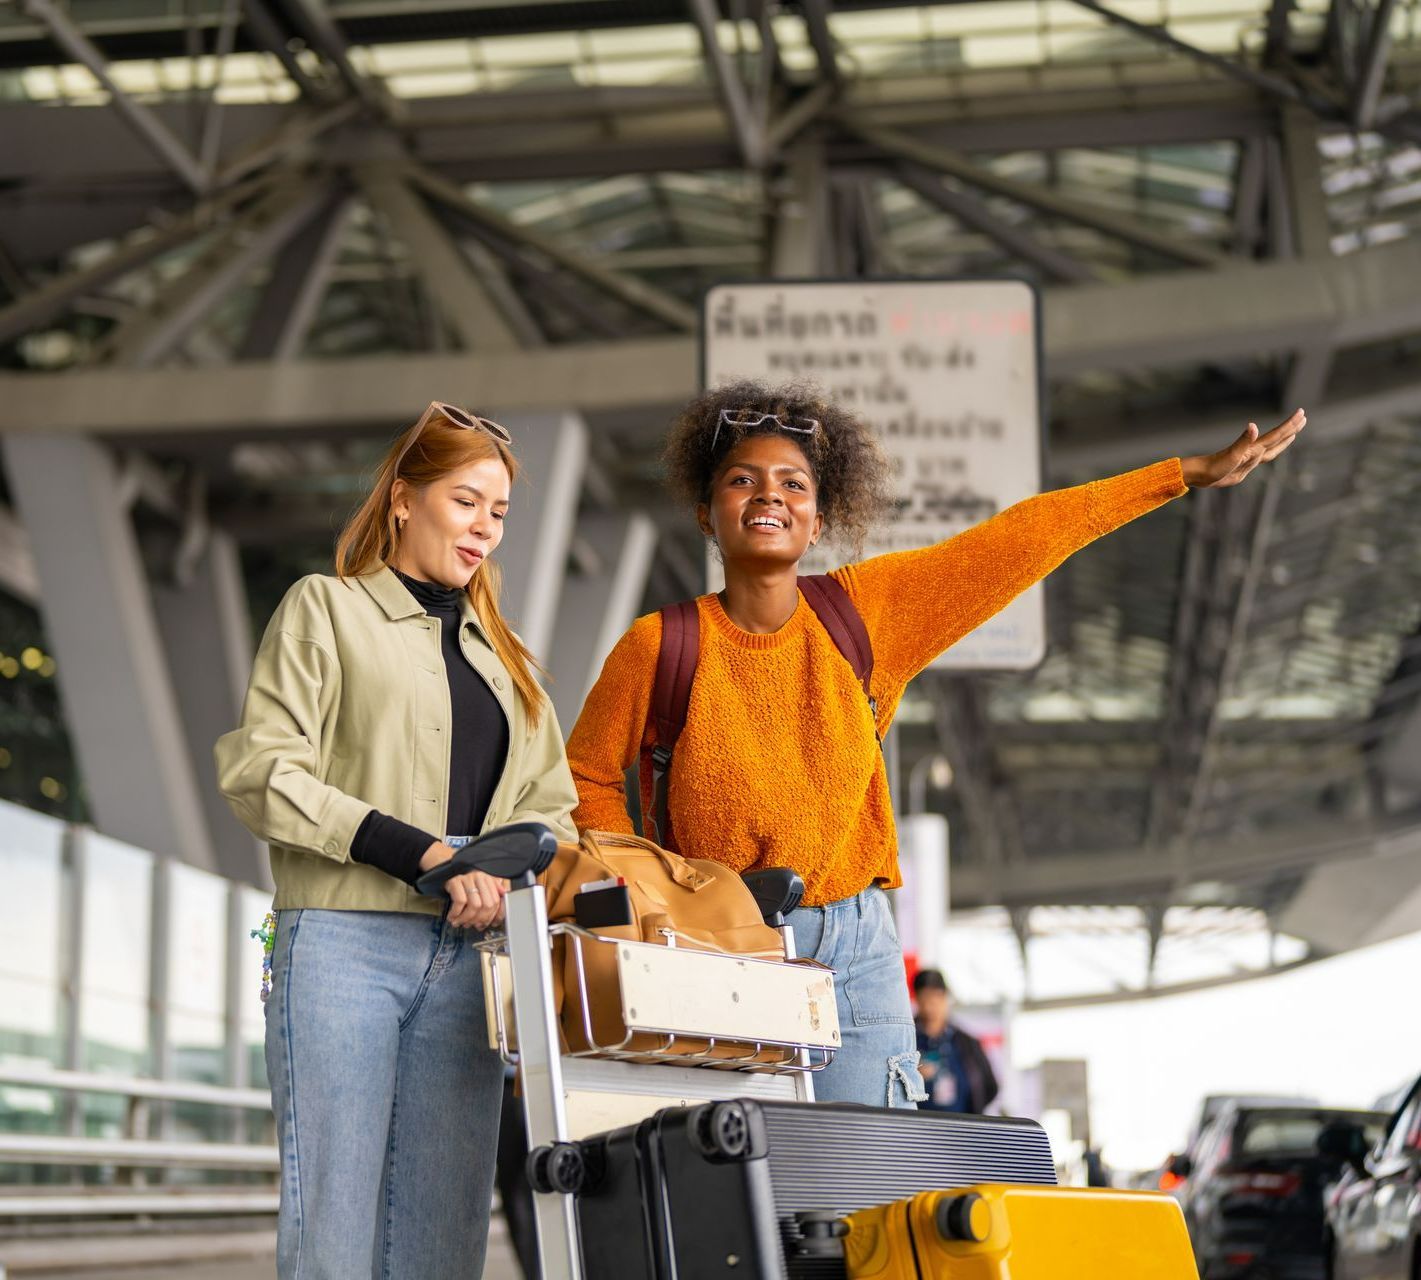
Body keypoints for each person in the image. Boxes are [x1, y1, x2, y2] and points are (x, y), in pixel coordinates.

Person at [566, 379, 1305, 1109]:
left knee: (870, 1183)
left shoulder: (864, 613)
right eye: (742, 481)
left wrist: (1180, 476)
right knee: (747, 1187)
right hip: (718, 940)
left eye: (793, 483)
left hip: (854, 947)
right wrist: (650, 893)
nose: (769, 496)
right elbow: (587, 776)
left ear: (816, 520)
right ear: (706, 513)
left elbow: (1020, 539)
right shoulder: (658, 645)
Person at [214, 401, 578, 1280]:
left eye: (498, 511)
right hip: (340, 945)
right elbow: (262, 770)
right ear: (405, 499)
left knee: (443, 1239)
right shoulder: (325, 610)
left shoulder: (509, 660)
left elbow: (552, 808)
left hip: (470, 959)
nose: (485, 527)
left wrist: (498, 869)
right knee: (329, 1230)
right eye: (466, 501)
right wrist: (423, 854)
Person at [913, 969, 998, 1114]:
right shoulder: (907, 1041)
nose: (929, 1008)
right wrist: (912, 1076)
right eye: (924, 1000)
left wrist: (973, 1115)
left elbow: (990, 1087)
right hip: (915, 1127)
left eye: (935, 999)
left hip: (961, 1127)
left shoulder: (968, 1043)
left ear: (946, 998)